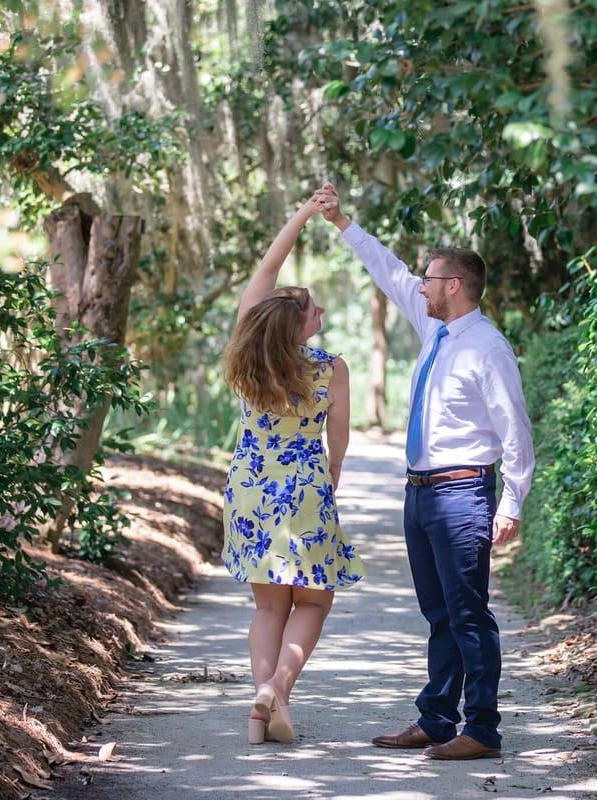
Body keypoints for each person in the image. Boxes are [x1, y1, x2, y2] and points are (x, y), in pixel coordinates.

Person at [312, 182, 534, 760]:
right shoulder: (435, 327)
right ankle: (437, 720)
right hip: (420, 494)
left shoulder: (488, 348)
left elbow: (515, 431)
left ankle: (481, 729)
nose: (419, 286)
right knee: (438, 615)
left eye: (429, 280)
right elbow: (388, 269)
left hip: (464, 494)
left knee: (468, 614)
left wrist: (510, 504)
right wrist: (341, 222)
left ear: (453, 287)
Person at [220, 198, 364, 746]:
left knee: (268, 604)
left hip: (250, 488)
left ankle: (261, 709)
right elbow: (340, 437)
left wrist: (302, 214)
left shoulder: (248, 356)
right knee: (314, 599)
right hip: (305, 489)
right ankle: (277, 687)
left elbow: (266, 271)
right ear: (298, 324)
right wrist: (333, 478)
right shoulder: (330, 369)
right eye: (314, 311)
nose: (321, 316)